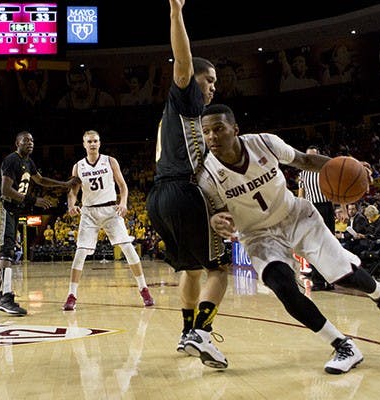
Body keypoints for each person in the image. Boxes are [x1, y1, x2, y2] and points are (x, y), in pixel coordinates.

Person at [197, 104, 380, 374]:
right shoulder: (206, 174)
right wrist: (215, 220)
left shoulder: (264, 142)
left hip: (295, 215)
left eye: (218, 129)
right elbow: (214, 212)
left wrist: (347, 165)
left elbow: (305, 161)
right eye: (206, 132)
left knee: (342, 276)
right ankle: (343, 345)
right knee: (284, 289)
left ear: (235, 129)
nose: (212, 137)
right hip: (258, 235)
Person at [145, 0, 229, 369]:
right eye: (209, 80)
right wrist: (176, 13)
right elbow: (182, 61)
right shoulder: (185, 97)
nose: (212, 87)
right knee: (218, 272)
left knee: (191, 271)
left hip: (158, 197)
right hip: (183, 193)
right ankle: (203, 332)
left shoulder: (168, 122)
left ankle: (185, 333)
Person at [0, 130, 79, 315]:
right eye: (26, 140)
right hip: (4, 206)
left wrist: (63, 184)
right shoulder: (11, 160)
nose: (30, 143)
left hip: (13, 208)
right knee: (8, 251)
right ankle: (6, 297)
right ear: (17, 143)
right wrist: (33, 200)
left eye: (32, 140)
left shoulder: (28, 162)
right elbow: (5, 190)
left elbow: (41, 180)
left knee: (8, 250)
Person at [62, 130, 154, 310]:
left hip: (111, 209)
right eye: (89, 141)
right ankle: (72, 295)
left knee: (128, 247)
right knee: (80, 253)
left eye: (95, 141)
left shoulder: (110, 161)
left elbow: (123, 186)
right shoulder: (78, 166)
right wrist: (71, 205)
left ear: (100, 143)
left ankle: (144, 289)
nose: (93, 144)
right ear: (84, 144)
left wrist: (124, 202)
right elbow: (73, 191)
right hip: (89, 212)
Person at [297, 146, 335, 291]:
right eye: (308, 157)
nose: (311, 159)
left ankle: (330, 279)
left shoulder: (325, 171)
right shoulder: (302, 174)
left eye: (314, 156)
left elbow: (334, 191)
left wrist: (341, 209)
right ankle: (318, 281)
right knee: (314, 245)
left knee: (329, 244)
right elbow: (301, 196)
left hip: (326, 207)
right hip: (312, 208)